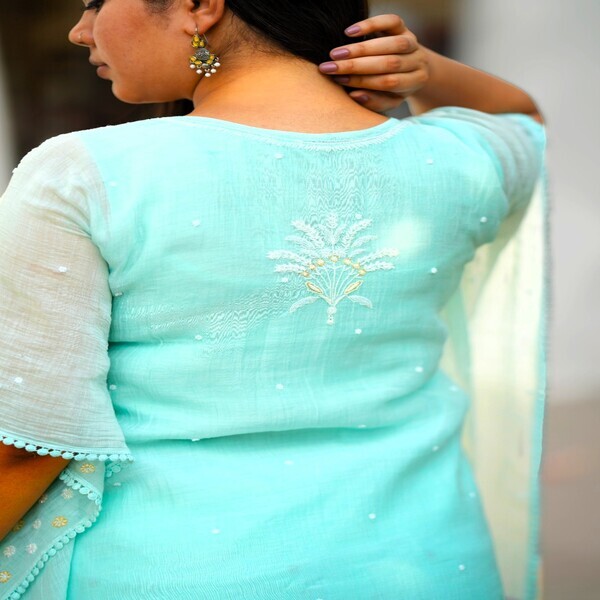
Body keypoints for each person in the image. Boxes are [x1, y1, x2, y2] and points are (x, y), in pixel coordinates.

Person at [0, 1, 548, 599]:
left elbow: (28, 445)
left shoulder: (84, 175)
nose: (80, 31)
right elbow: (523, 122)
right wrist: (428, 71)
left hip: (177, 573)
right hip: (430, 564)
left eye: (96, 3)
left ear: (199, 6)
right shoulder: (459, 160)